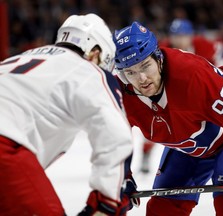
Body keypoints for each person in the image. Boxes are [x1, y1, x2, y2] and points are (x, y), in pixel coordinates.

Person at [112, 22, 223, 215]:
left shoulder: (191, 76)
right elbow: (113, 141)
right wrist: (121, 176)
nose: (141, 78)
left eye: (145, 65)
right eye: (131, 72)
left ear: (158, 58)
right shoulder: (120, 93)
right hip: (189, 142)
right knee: (163, 210)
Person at [0, 14, 134, 216]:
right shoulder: (87, 69)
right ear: (95, 52)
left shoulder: (18, 58)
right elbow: (115, 135)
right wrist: (108, 199)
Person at [140, 18, 223, 173]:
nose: (178, 40)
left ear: (190, 36)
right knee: (155, 125)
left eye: (182, 36)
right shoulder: (161, 49)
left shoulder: (204, 46)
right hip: (168, 94)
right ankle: (146, 153)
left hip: (196, 94)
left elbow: (215, 61)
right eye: (175, 36)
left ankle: (218, 152)